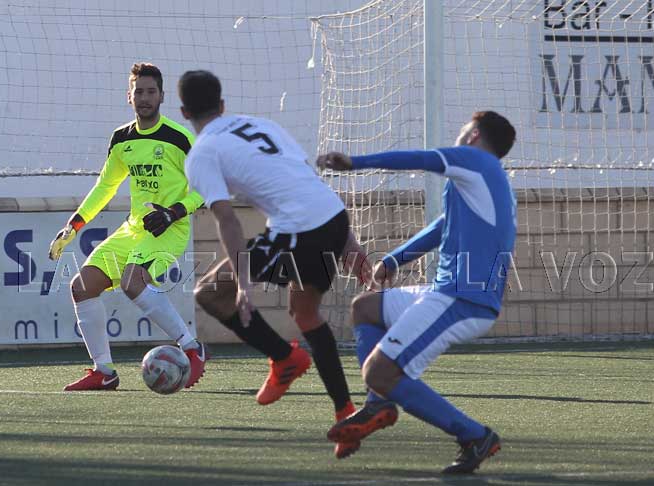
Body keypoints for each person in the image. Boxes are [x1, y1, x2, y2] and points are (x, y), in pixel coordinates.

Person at [178, 69, 371, 459]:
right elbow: (306, 177)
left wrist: (243, 284)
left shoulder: (201, 153)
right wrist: (349, 242)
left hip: (300, 230)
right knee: (306, 313)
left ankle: (285, 358)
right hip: (333, 217)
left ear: (183, 112)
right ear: (222, 105)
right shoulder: (261, 124)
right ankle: (346, 415)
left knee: (210, 293)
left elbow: (227, 220)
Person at [317, 111, 517, 473]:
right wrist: (394, 259)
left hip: (462, 300)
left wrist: (355, 163)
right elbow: (444, 226)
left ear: (473, 135)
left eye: (462, 130)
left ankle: (474, 435)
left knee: (379, 371)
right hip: (448, 293)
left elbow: (422, 159)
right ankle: (379, 402)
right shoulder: (484, 180)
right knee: (366, 308)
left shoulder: (474, 160)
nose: (458, 136)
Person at [48, 62, 207, 391]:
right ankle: (104, 372)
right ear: (129, 96)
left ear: (162, 96)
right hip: (134, 230)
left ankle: (192, 348)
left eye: (151, 92)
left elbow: (205, 187)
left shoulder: (179, 138)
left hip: (169, 231)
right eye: (139, 92)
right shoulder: (122, 139)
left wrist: (173, 213)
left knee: (133, 281)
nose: (144, 98)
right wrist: (73, 226)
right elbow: (105, 187)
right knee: (81, 286)